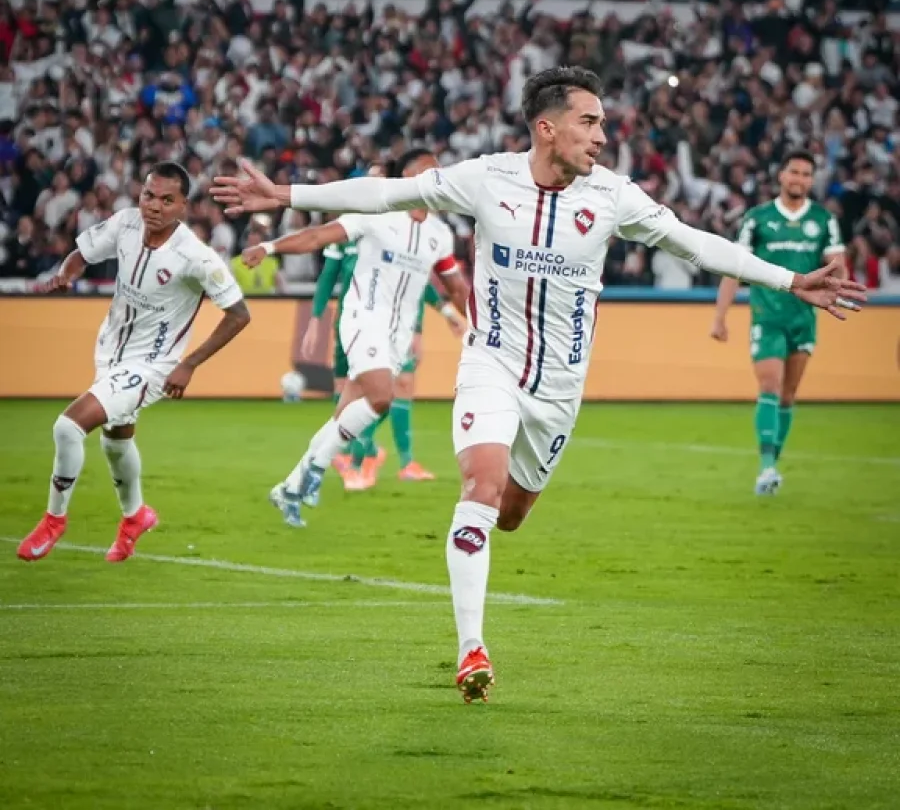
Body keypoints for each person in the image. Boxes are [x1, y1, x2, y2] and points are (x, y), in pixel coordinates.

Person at [211, 67, 866, 704]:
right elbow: (384, 194)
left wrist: (787, 278)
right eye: (590, 122)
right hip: (490, 363)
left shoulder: (613, 195)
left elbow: (695, 243)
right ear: (547, 128)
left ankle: (455, 544)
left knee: (512, 514)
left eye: (604, 123)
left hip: (558, 389)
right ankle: (473, 648)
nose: (602, 136)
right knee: (480, 485)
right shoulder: (486, 178)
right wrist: (287, 194)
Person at [18, 162, 251, 564]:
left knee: (68, 426)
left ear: (182, 207)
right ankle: (135, 516)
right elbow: (82, 253)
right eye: (148, 195)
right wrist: (67, 272)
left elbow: (239, 314)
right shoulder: (125, 223)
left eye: (166, 200)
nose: (154, 206)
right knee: (116, 440)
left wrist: (190, 363)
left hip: (154, 364)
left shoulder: (196, 257)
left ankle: (54, 520)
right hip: (111, 350)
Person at [241, 149, 468, 528]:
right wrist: (269, 247)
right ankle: (314, 471)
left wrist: (476, 320)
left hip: (396, 336)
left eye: (438, 172)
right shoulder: (375, 214)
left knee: (343, 417)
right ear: (406, 178)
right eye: (427, 171)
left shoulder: (439, 234)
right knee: (381, 397)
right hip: (364, 318)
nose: (436, 178)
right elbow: (317, 236)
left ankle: (290, 487)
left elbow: (455, 285)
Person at [710, 151, 845, 496]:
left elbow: (836, 265)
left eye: (806, 174)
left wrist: (838, 281)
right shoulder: (758, 219)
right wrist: (720, 316)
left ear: (811, 180)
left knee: (788, 395)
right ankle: (766, 467)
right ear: (781, 176)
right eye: (794, 172)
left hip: (803, 319)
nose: (799, 179)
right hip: (767, 317)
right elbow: (733, 268)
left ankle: (772, 466)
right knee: (770, 385)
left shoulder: (823, 219)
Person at [300, 227, 467, 490]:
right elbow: (328, 277)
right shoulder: (346, 233)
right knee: (345, 394)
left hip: (390, 328)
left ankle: (380, 462)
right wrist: (315, 319)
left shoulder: (392, 234)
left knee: (394, 388)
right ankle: (360, 454)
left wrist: (435, 318)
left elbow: (416, 283)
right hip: (349, 325)